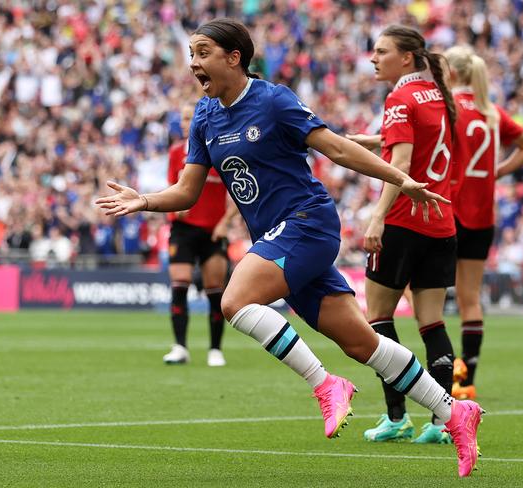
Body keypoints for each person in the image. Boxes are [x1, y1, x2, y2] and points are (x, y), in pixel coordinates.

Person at [96, 18, 483, 477]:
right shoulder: (204, 115)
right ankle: (454, 411)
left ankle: (326, 384)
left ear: (233, 58)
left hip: (308, 222)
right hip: (278, 237)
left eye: (203, 53)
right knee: (362, 343)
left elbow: (336, 149)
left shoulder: (273, 99)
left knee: (236, 301)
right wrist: (143, 201)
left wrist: (400, 178)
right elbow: (187, 190)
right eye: (191, 55)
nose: (194, 64)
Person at [346, 26, 458, 445]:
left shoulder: (399, 98)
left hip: (404, 222)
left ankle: (397, 417)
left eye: (381, 51)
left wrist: (377, 218)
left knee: (378, 322)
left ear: (406, 58)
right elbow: (419, 142)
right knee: (433, 323)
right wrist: (376, 140)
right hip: (442, 223)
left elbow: (405, 162)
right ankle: (443, 420)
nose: (373, 58)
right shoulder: (437, 95)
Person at [445, 46, 523, 400]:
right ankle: (467, 380)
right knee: (471, 299)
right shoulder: (493, 114)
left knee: (428, 294)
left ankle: (439, 377)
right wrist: (495, 172)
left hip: (449, 210)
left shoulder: (449, 108)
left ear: (451, 74)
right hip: (482, 214)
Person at [163, 102, 238, 367]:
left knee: (215, 290)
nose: (185, 123)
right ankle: (180, 346)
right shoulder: (175, 152)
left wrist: (224, 223)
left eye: (189, 118)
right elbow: (172, 186)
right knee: (179, 284)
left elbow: (237, 192)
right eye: (182, 118)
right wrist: (175, 209)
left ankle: (215, 349)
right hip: (183, 229)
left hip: (212, 231)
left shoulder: (220, 149)